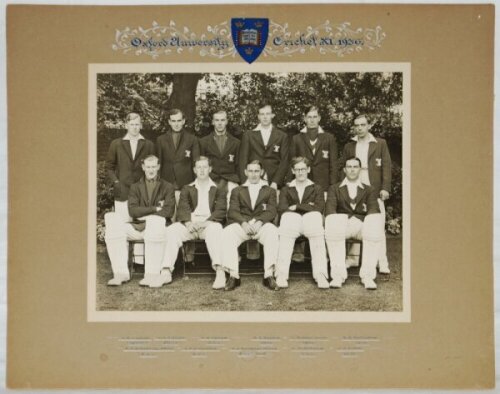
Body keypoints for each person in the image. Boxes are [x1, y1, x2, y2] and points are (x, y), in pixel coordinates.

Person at [104, 155, 175, 287]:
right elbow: (133, 211)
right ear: (143, 167)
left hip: (160, 229)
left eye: (154, 166)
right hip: (139, 226)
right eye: (148, 167)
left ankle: (151, 274)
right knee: (112, 222)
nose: (151, 170)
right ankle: (120, 273)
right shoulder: (135, 187)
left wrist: (147, 215)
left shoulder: (168, 186)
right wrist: (154, 208)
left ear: (158, 167)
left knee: (155, 221)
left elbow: (168, 211)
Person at [160, 156, 227, 289]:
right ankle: (166, 271)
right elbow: (183, 208)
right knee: (172, 230)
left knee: (216, 229)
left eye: (205, 167)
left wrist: (205, 223)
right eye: (199, 167)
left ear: (210, 169)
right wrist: (189, 223)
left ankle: (220, 271)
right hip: (190, 224)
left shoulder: (218, 189)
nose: (202, 170)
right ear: (195, 170)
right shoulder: (187, 188)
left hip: (209, 224)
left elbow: (220, 210)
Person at [342, 114, 392, 274]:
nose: (359, 128)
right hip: (355, 185)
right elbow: (343, 168)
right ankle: (353, 258)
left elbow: (386, 166)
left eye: (363, 125)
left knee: (377, 223)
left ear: (369, 126)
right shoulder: (350, 145)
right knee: (354, 219)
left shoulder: (380, 144)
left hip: (374, 187)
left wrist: (385, 188)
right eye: (356, 125)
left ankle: (381, 261)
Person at [324, 157, 384, 289]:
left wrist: (361, 221)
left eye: (355, 167)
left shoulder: (369, 189)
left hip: (362, 227)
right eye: (349, 167)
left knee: (374, 221)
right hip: (342, 226)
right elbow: (330, 210)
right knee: (332, 221)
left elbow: (373, 209)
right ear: (345, 170)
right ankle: (338, 275)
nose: (352, 169)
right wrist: (344, 220)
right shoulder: (334, 188)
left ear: (360, 170)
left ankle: (368, 276)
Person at [221, 160, 280, 291]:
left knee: (272, 232)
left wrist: (259, 221)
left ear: (262, 172)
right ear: (245, 172)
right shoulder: (237, 190)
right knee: (228, 233)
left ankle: (269, 275)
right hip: (243, 225)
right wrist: (243, 223)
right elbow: (233, 211)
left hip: (261, 225)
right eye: (251, 171)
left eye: (257, 171)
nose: (253, 174)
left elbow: (272, 211)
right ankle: (233, 276)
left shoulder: (269, 190)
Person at [275, 157, 329, 289]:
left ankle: (320, 274)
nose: (300, 172)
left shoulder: (316, 188)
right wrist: (307, 205)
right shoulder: (286, 188)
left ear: (308, 170)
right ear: (293, 171)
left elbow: (318, 208)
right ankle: (281, 273)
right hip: (292, 222)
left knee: (315, 217)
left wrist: (297, 206)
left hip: (311, 222)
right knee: (287, 218)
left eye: (303, 169)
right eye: (297, 170)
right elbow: (282, 208)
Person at [105, 112, 156, 221]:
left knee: (143, 225)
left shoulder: (149, 145)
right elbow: (109, 167)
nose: (134, 127)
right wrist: (116, 182)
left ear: (141, 125)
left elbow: (154, 168)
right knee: (123, 224)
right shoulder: (116, 144)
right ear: (126, 125)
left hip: (143, 192)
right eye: (132, 124)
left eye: (137, 124)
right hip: (123, 191)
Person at [238, 104, 289, 189]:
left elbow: (284, 161)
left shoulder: (282, 136)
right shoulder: (249, 135)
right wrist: (245, 182)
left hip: (273, 180)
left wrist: (276, 182)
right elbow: (243, 160)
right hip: (253, 178)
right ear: (258, 116)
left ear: (272, 115)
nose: (265, 117)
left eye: (268, 114)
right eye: (262, 114)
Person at [156, 108, 200, 202]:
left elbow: (195, 164)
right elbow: (158, 164)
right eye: (173, 121)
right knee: (168, 214)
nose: (176, 124)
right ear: (169, 122)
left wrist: (196, 185)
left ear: (183, 121)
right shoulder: (161, 140)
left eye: (179, 120)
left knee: (184, 212)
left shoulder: (192, 139)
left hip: (186, 183)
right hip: (167, 182)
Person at [290, 106, 338, 190]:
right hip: (303, 185)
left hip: (324, 186)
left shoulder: (329, 138)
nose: (312, 120)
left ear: (319, 118)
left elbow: (333, 165)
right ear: (305, 119)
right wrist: (290, 183)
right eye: (309, 117)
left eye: (315, 117)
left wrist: (333, 186)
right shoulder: (296, 138)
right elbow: (292, 163)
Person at [199, 110, 240, 202]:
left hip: (230, 180)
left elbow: (238, 165)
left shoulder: (236, 143)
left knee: (232, 203)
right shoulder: (203, 142)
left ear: (226, 121)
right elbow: (200, 164)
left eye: (222, 120)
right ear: (213, 122)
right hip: (211, 179)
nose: (220, 123)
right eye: (217, 120)